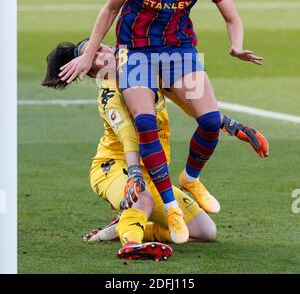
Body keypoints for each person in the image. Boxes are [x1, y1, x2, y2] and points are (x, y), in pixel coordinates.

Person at [58, 0, 263, 245]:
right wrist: (89, 53)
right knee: (146, 122)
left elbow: (232, 15)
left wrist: (236, 44)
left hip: (179, 51)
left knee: (210, 121)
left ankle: (191, 179)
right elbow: (109, 10)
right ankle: (168, 207)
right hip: (136, 52)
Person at [43, 40, 268, 260]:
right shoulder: (109, 95)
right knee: (143, 199)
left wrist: (230, 124)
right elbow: (128, 136)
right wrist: (134, 172)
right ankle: (131, 244)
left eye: (101, 47)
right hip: (114, 168)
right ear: (92, 73)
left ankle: (129, 225)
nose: (104, 52)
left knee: (205, 232)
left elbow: (189, 102)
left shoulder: (145, 72)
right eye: (94, 57)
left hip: (151, 172)